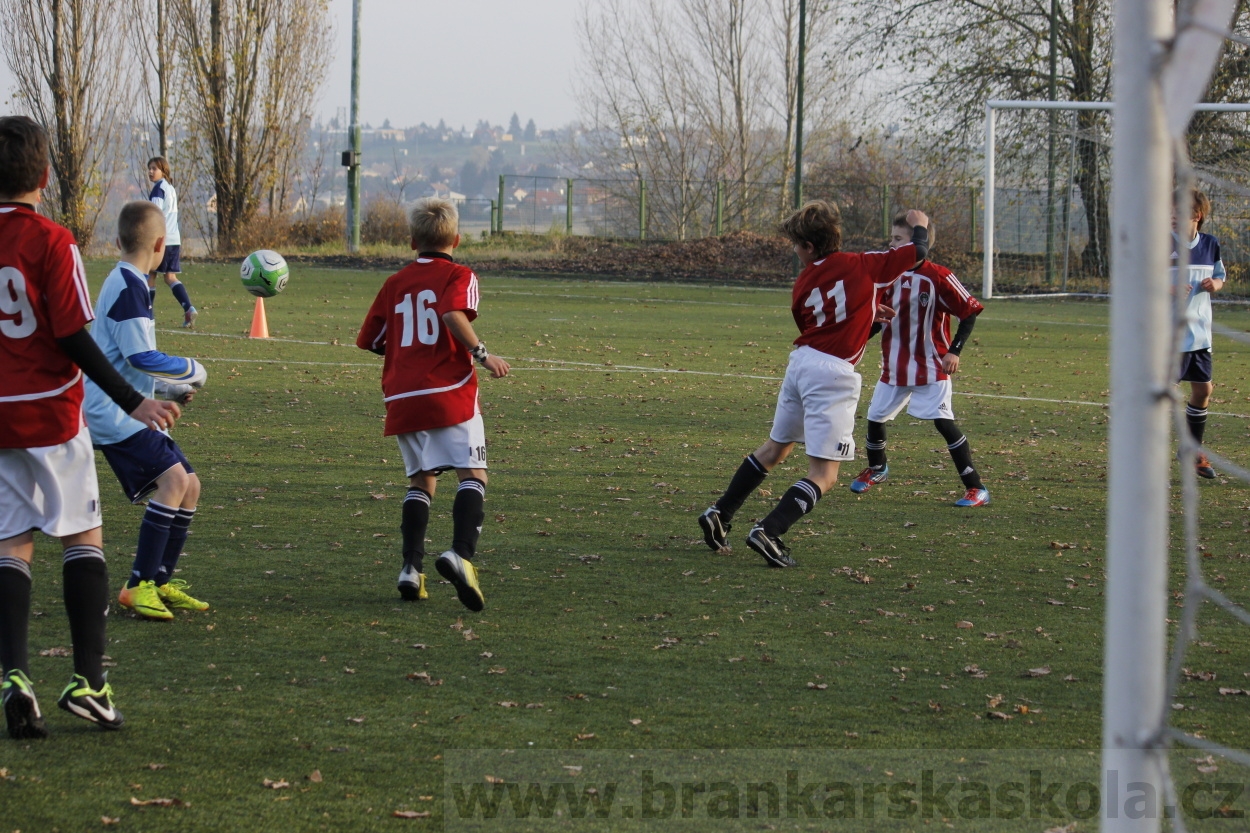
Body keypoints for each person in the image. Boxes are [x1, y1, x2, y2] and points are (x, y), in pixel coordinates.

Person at [0, 116, 180, 738]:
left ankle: (16, 675)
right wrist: (132, 401)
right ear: (44, 176)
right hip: (51, 410)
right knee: (84, 537)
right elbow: (74, 334)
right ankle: (88, 683)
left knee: (10, 544)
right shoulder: (54, 241)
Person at [698, 200, 929, 568]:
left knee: (776, 448)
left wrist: (867, 311)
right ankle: (769, 531)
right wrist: (919, 225)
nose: (796, 251)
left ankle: (720, 513)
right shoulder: (863, 263)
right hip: (832, 375)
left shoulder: (803, 282)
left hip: (801, 363)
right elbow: (916, 254)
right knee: (825, 474)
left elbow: (821, 329)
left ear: (809, 247)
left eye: (796, 245)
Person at [356, 198, 510, 610]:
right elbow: (450, 314)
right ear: (457, 239)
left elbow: (369, 341)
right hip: (449, 391)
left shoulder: (394, 283)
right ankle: (460, 554)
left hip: (403, 397)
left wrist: (407, 356)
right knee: (473, 475)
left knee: (422, 481)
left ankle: (411, 569)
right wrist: (483, 354)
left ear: (411, 242)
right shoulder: (461, 274)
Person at [84, 201, 210, 621]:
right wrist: (193, 369)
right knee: (173, 481)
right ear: (161, 244)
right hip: (112, 411)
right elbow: (141, 356)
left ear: (118, 241)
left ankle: (157, 581)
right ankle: (138, 585)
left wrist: (171, 389)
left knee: (189, 485)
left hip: (127, 406)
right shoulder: (129, 285)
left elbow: (124, 358)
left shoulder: (128, 279)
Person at [849, 212, 989, 506]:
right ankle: (877, 470)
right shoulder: (888, 276)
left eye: (898, 239)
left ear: (917, 242)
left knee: (943, 423)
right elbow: (879, 319)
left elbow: (969, 311)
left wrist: (955, 351)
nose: (891, 243)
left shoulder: (939, 275)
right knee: (875, 417)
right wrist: (856, 341)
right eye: (891, 238)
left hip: (931, 366)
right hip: (895, 367)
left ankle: (976, 487)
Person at [1174, 189, 1226, 479]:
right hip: (1168, 336)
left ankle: (1191, 450)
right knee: (1161, 395)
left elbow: (1220, 275)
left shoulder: (1210, 244)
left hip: (1199, 334)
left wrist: (1214, 285)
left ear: (1197, 215)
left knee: (1203, 390)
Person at [146, 156, 196, 327]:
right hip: (174, 239)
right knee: (170, 277)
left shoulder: (158, 190)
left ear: (163, 170)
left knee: (150, 275)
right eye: (149, 168)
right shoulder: (170, 188)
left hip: (161, 240)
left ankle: (148, 315)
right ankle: (188, 308)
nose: (151, 172)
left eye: (154, 168)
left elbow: (155, 214)